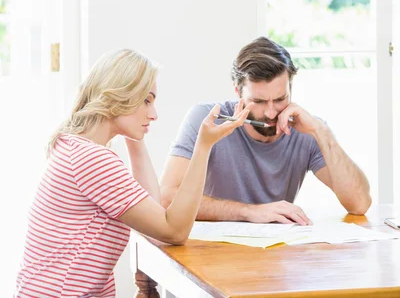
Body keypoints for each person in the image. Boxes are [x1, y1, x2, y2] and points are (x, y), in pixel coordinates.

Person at [14, 48, 252, 298]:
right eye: (147, 100)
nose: (154, 114)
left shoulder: (74, 146)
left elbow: (155, 217)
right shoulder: (93, 160)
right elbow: (174, 231)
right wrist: (203, 146)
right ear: (119, 96)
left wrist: (133, 136)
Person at [160, 37, 372, 225]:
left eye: (280, 99)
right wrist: (250, 212)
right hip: (211, 252)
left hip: (273, 257)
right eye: (258, 101)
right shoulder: (207, 120)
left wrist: (322, 132)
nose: (271, 113)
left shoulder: (307, 129)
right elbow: (168, 197)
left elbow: (359, 203)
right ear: (237, 90)